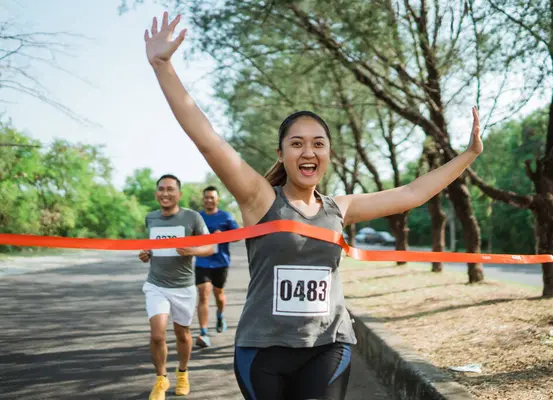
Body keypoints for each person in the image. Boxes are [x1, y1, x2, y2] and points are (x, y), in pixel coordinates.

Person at [144, 12, 483, 399]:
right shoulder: (259, 198)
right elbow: (208, 138)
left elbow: (413, 193)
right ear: (282, 152)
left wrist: (469, 154)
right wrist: (163, 66)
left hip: (328, 345)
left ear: (328, 154)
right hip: (261, 350)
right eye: (297, 143)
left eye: (318, 143)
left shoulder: (340, 208)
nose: (309, 151)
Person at [139, 174, 215, 400]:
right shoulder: (151, 218)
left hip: (183, 287)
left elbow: (210, 247)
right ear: (156, 193)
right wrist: (146, 254)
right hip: (156, 284)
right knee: (157, 334)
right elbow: (152, 247)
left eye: (170, 189)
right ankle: (160, 379)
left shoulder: (192, 217)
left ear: (179, 194)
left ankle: (182, 373)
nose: (165, 193)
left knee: (182, 334)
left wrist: (192, 251)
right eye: (161, 189)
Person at [195, 185, 240, 347]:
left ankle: (220, 315)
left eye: (212, 197)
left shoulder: (225, 217)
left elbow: (239, 235)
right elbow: (187, 235)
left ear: (217, 199)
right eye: (206, 197)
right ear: (203, 199)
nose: (208, 200)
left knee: (218, 294)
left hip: (220, 262)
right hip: (202, 261)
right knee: (203, 294)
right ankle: (203, 332)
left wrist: (224, 235)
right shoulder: (197, 217)